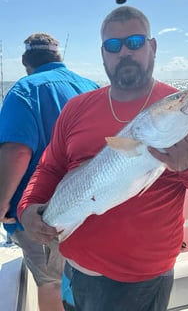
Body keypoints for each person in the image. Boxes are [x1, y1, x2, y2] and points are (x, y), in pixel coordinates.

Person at [17, 7, 188, 311]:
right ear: (103, 54)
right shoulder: (77, 108)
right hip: (74, 268)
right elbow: (49, 167)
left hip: (140, 282)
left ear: (152, 46)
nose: (124, 52)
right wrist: (28, 207)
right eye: (113, 45)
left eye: (134, 42)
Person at [0, 32, 99, 311]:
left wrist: (2, 203)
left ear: (24, 60)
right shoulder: (92, 87)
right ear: (59, 57)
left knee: (50, 282)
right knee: (85, 274)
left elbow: (17, 151)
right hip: (90, 209)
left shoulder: (23, 90)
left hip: (44, 215)